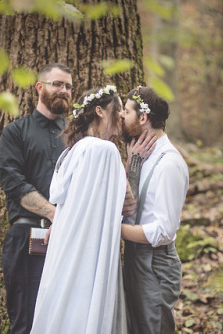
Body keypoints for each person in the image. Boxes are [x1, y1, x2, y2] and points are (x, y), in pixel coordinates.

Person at [31, 85, 152, 334]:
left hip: (65, 247)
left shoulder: (71, 152)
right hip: (88, 250)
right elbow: (129, 206)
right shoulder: (104, 150)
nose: (121, 115)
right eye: (117, 109)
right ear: (99, 111)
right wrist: (135, 163)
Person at [0, 63, 73, 334]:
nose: (63, 90)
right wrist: (56, 215)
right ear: (39, 87)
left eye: (68, 86)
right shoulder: (15, 132)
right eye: (57, 84)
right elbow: (14, 185)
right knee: (27, 323)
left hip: (70, 240)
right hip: (27, 239)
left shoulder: (77, 137)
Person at [120, 86, 189, 334]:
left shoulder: (169, 163)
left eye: (125, 111)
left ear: (142, 118)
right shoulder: (143, 156)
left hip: (155, 264)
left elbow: (163, 231)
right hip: (136, 258)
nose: (120, 116)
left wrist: (115, 229)